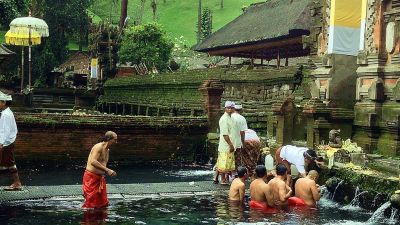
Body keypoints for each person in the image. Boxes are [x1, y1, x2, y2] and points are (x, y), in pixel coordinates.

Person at [82, 131, 118, 208]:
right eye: (114, 140)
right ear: (108, 139)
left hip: (100, 178)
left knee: (103, 202)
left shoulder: (107, 150)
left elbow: (103, 164)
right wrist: (107, 170)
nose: (116, 142)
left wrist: (109, 171)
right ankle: (89, 219)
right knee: (91, 203)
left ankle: (101, 219)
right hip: (91, 178)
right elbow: (93, 161)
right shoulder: (98, 147)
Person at [0, 92, 22, 191]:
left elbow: (5, 130)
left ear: (3, 102)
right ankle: (17, 183)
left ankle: (17, 183)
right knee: (6, 163)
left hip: (6, 142)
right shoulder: (7, 113)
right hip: (8, 141)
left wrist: (1, 143)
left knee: (9, 162)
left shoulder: (6, 114)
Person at [215, 101, 236, 185]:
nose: (230, 109)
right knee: (224, 163)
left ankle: (224, 178)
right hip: (226, 144)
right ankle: (223, 179)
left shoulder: (230, 118)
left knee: (227, 162)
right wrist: (230, 145)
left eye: (231, 108)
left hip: (230, 143)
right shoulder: (224, 119)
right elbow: (225, 134)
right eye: (228, 108)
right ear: (225, 108)